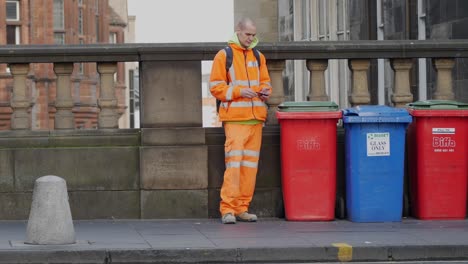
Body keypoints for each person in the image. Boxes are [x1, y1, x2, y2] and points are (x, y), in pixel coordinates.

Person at [209, 17, 272, 224]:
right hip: (235, 119)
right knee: (234, 167)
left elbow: (265, 82)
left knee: (249, 169)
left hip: (255, 120)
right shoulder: (224, 55)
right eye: (247, 35)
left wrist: (265, 92)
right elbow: (216, 87)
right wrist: (238, 91)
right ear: (238, 32)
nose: (250, 39)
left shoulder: (258, 56)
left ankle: (242, 208)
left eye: (253, 35)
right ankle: (227, 209)